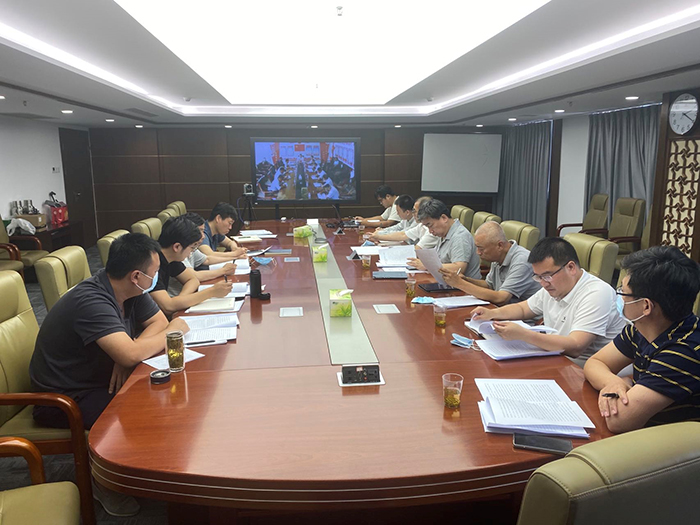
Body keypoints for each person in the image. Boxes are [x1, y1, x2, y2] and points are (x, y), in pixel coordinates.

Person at [29, 233, 191, 516]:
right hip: (63, 397)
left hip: (96, 380)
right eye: (154, 273)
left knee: (166, 397)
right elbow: (161, 331)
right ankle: (104, 481)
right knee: (147, 411)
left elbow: (157, 322)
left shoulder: (130, 291)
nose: (156, 278)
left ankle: (146, 472)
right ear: (136, 276)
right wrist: (163, 336)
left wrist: (132, 350)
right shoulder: (91, 300)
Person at [584, 246, 700, 433]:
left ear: (646, 306)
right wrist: (614, 382)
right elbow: (595, 362)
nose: (619, 297)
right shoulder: (640, 329)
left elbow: (618, 421)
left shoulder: (684, 352)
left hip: (675, 443)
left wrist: (626, 383)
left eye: (623, 292)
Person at [471, 237, 626, 367]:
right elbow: (524, 309)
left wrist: (524, 335)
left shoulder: (597, 293)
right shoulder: (553, 285)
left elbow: (576, 346)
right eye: (538, 277)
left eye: (547, 276)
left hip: (585, 370)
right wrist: (492, 313)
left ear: (571, 267)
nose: (543, 283)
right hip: (558, 361)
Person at [439, 221, 540, 305]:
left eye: (481, 249)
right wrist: (465, 279)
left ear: (499, 246)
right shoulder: (498, 256)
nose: (478, 253)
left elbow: (502, 298)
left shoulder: (522, 261)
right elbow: (489, 285)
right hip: (501, 311)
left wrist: (460, 283)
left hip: (523, 319)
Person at [149, 216, 233, 316]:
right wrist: (212, 291)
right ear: (177, 247)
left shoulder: (171, 258)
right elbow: (168, 306)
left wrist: (180, 300)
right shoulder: (151, 264)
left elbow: (193, 280)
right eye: (192, 248)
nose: (190, 254)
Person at [407, 199, 481, 278]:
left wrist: (427, 266)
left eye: (430, 225)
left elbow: (459, 268)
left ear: (444, 218)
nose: (430, 231)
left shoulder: (460, 236)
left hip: (462, 285)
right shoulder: (444, 233)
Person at [369, 196, 439, 249]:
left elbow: (417, 249)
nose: (413, 213)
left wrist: (379, 235)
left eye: (414, 211)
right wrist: (378, 235)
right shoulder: (421, 226)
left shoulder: (431, 230)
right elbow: (402, 234)